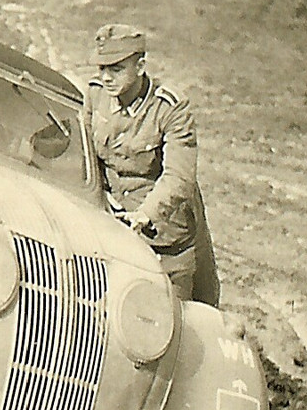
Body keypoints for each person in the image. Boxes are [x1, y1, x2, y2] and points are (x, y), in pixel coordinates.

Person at [83, 23, 220, 305]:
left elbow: (179, 178)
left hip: (164, 236)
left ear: (141, 66)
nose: (106, 78)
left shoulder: (170, 109)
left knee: (173, 315)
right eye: (102, 69)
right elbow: (83, 150)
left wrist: (144, 215)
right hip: (112, 225)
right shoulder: (96, 95)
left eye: (117, 69)